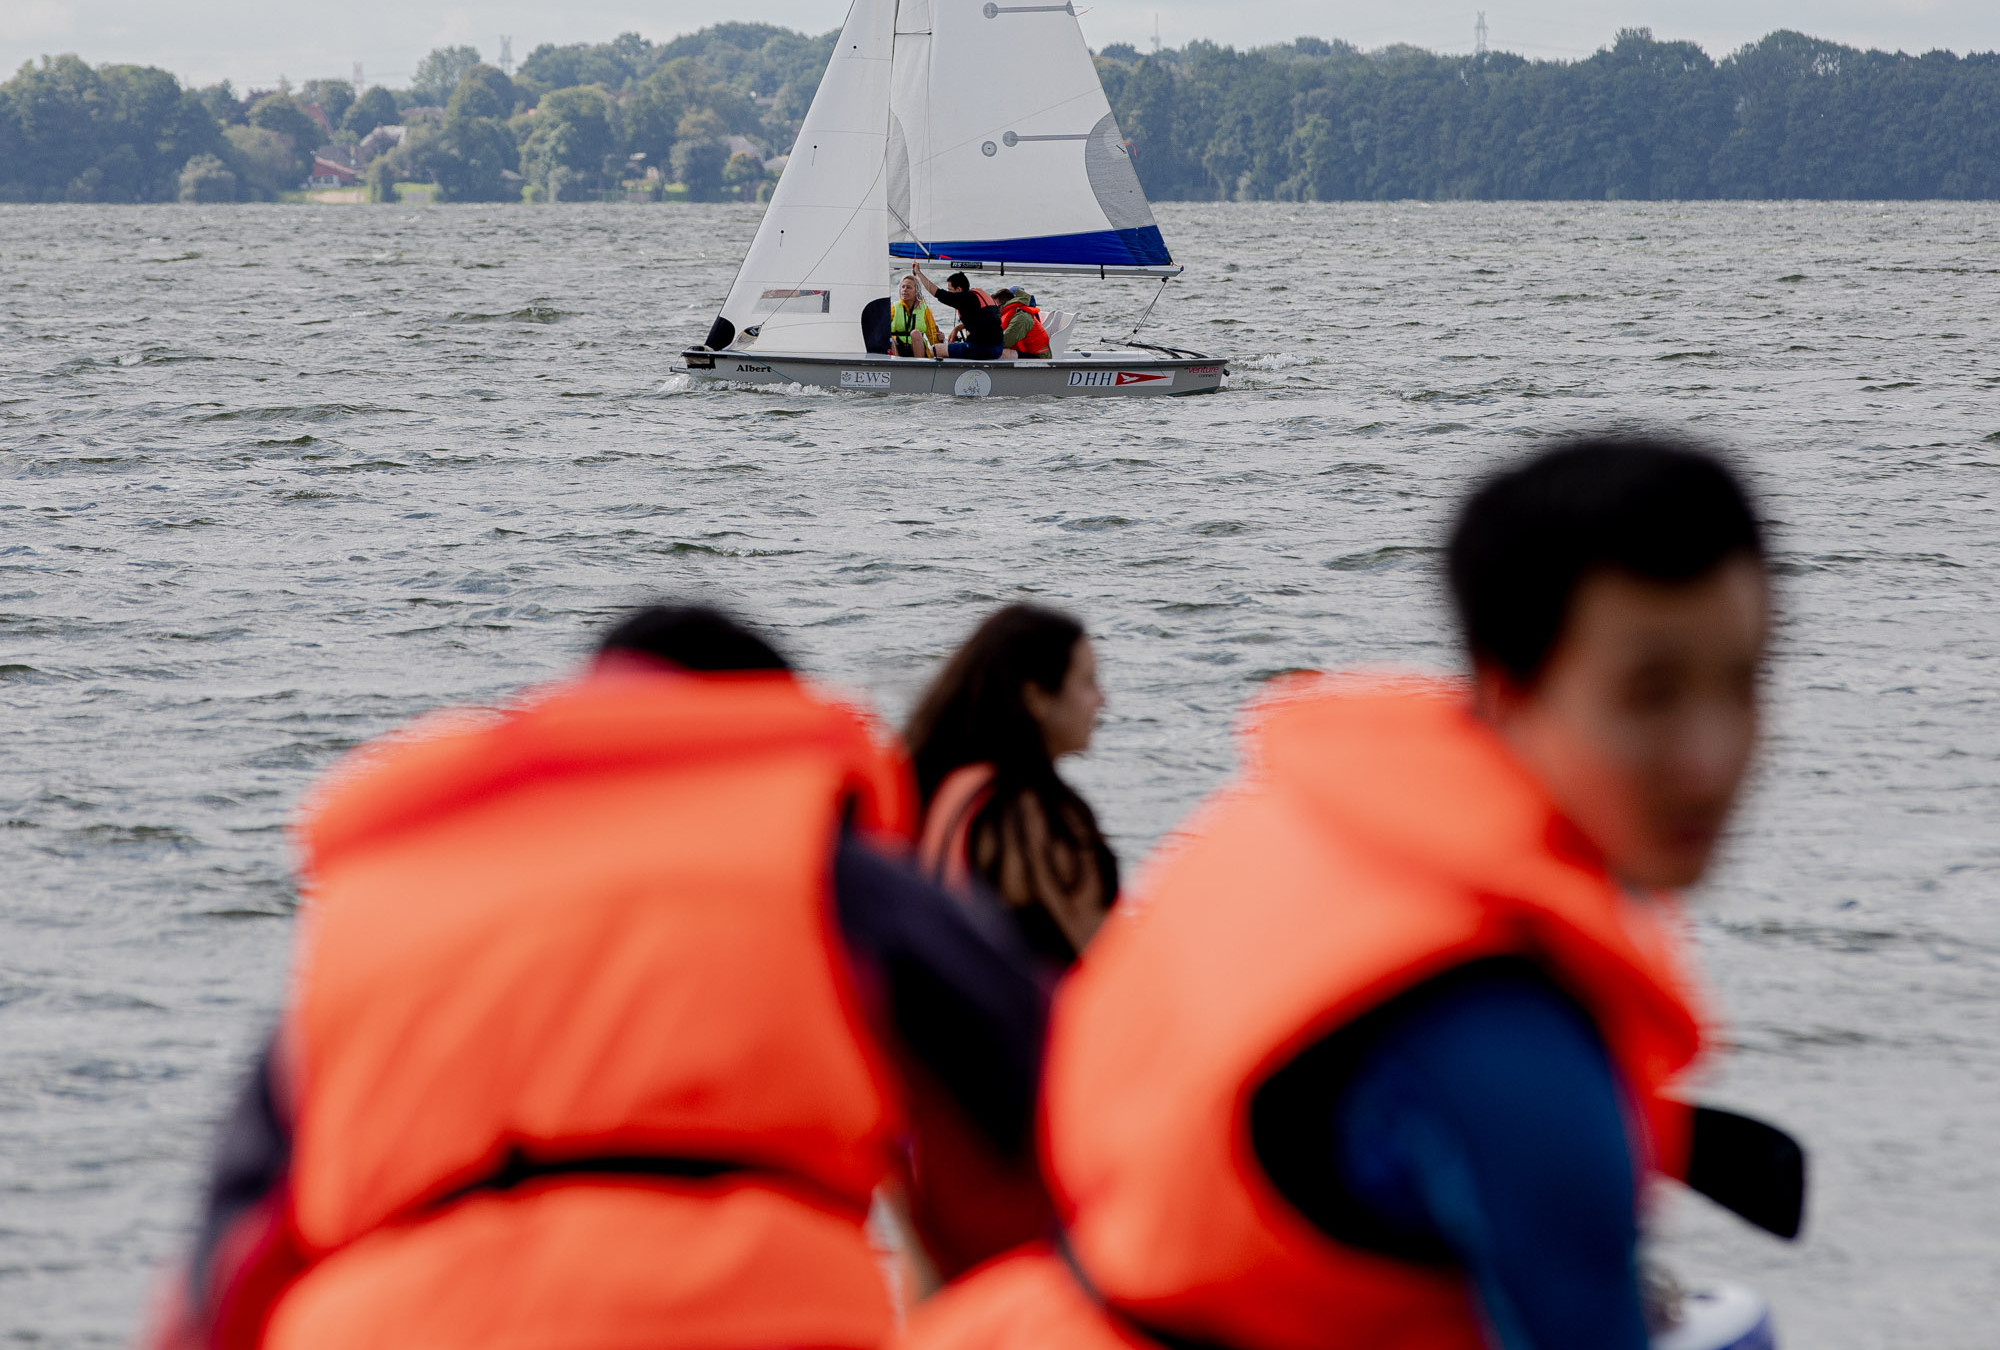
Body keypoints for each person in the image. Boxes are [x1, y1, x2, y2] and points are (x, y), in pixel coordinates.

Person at [908, 438, 1807, 1350]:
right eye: (1649, 695)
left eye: (1746, 682)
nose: (1710, 755)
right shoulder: (1509, 1043)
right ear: (1509, 687)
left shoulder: (1287, 829)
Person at [144, 606, 1052, 1350]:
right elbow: (1040, 1123)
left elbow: (233, 1263)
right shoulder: (810, 854)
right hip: (732, 1316)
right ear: (766, 727)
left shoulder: (391, 901)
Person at [906, 605, 1119, 968]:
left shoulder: (954, 788)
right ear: (1036, 698)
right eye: (1087, 682)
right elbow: (1105, 961)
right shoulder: (1035, 816)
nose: (1102, 700)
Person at [913, 267, 1005, 360]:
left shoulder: (964, 298)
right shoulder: (978, 296)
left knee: (935, 350)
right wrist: (957, 328)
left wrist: (919, 273)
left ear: (959, 290)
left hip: (982, 349)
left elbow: (938, 293)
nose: (949, 293)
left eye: (950, 290)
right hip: (998, 349)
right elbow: (982, 320)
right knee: (952, 347)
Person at [891, 273, 941, 358]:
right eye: (903, 287)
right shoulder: (894, 308)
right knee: (890, 338)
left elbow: (932, 336)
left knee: (915, 333)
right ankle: (896, 365)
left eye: (909, 287)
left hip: (918, 347)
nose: (904, 290)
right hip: (898, 348)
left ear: (916, 291)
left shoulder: (925, 310)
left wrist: (940, 341)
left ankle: (920, 366)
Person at [994, 290, 1051, 360]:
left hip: (1040, 356)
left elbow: (1007, 340)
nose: (994, 311)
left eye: (996, 307)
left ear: (1005, 303)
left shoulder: (1021, 317)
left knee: (997, 353)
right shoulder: (1012, 314)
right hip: (1027, 351)